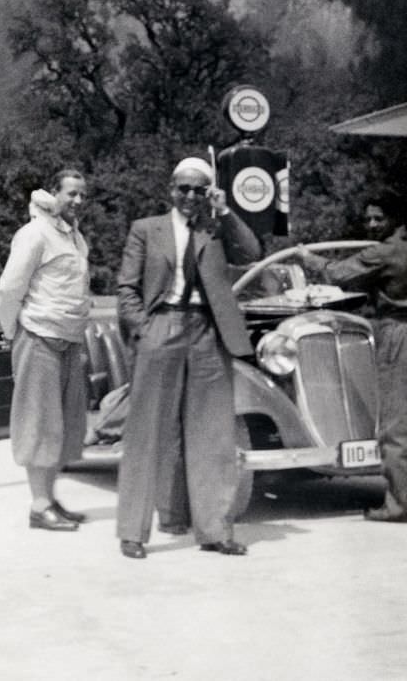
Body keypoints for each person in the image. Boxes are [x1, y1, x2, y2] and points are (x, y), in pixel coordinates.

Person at [116, 156, 262, 559]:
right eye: (184, 188)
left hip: (207, 333)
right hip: (161, 327)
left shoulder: (215, 229)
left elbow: (251, 251)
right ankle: (132, 531)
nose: (191, 196)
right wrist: (144, 330)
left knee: (214, 435)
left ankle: (215, 530)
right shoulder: (146, 229)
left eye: (199, 189)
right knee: (146, 431)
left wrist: (226, 209)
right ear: (171, 190)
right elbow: (126, 288)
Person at [299, 190, 407, 522]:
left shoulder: (386, 251)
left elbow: (337, 274)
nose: (371, 224)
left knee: (397, 426)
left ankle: (401, 506)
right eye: (368, 219)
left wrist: (309, 259)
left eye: (378, 218)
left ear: (394, 219)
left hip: (401, 334)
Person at [0, 169, 90, 531]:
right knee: (38, 424)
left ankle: (49, 500)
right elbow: (8, 290)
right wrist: (10, 330)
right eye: (71, 194)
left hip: (67, 342)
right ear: (53, 194)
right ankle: (38, 507)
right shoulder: (34, 233)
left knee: (61, 426)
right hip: (38, 339)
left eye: (82, 195)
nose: (78, 201)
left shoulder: (74, 237)